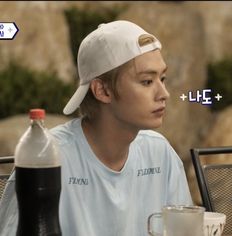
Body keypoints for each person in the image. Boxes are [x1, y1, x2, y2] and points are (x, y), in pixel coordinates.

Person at [0, 20, 192, 236]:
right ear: (102, 90)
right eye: (147, 81)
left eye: (163, 78)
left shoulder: (160, 153)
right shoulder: (47, 159)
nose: (164, 93)